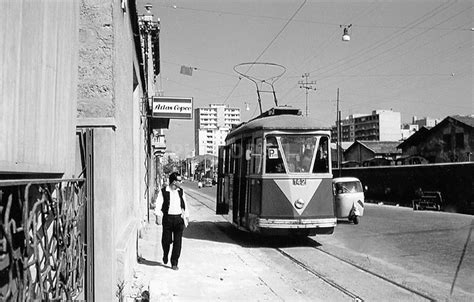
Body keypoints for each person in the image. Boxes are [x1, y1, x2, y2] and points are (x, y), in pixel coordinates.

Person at [154, 172, 189, 270]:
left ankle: (174, 262)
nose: (180, 182)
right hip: (168, 219)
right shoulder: (164, 191)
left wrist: (186, 216)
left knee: (178, 242)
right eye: (179, 180)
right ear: (174, 182)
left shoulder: (181, 191)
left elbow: (184, 204)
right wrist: (157, 215)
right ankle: (165, 254)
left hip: (179, 219)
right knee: (166, 240)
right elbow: (159, 203)